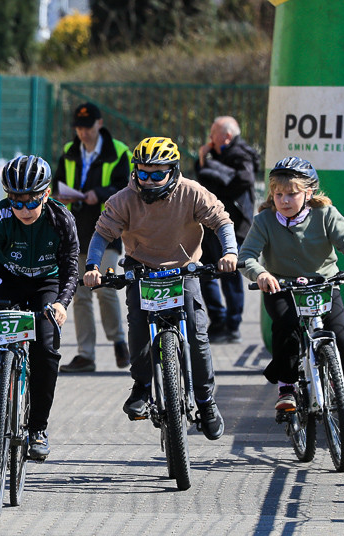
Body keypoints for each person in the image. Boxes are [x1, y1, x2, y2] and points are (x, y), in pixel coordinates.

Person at [83, 137, 237, 440]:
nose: (149, 181)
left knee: (197, 335)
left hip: (184, 270)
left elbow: (222, 221)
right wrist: (92, 266)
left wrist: (229, 252)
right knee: (138, 329)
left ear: (173, 170)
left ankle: (206, 401)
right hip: (142, 272)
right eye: (142, 173)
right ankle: (141, 386)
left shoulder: (191, 192)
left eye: (157, 174)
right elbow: (101, 234)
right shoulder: (124, 199)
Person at [0, 155, 78, 460]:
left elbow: (71, 269)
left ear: (46, 194)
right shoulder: (1, 217)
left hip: (47, 283)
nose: (24, 210)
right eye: (16, 202)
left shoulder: (62, 219)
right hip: (9, 279)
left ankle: (38, 428)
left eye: (31, 202)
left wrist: (62, 303)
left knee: (46, 350)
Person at [237, 157, 344, 419]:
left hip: (323, 284)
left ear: (309, 193)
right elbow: (246, 257)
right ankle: (286, 387)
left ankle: (343, 389)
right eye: (278, 194)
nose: (284, 200)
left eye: (292, 194)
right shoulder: (264, 220)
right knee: (286, 327)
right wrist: (261, 273)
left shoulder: (326, 214)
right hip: (282, 287)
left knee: (341, 337)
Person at [54, 102, 131, 373]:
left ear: (99, 124)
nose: (83, 132)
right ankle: (86, 354)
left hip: (108, 230)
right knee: (80, 294)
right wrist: (61, 195)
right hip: (76, 230)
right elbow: (57, 183)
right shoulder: (69, 150)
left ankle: (119, 341)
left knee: (106, 287)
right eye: (78, 127)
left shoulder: (119, 151)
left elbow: (127, 187)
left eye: (87, 127)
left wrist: (99, 194)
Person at [195, 115, 262, 344]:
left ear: (227, 136)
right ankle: (217, 320)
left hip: (233, 225)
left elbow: (242, 180)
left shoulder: (240, 154)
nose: (210, 138)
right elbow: (204, 180)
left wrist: (211, 165)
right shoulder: (216, 154)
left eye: (214, 133)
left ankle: (232, 326)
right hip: (210, 224)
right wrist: (204, 159)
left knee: (230, 275)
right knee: (205, 273)